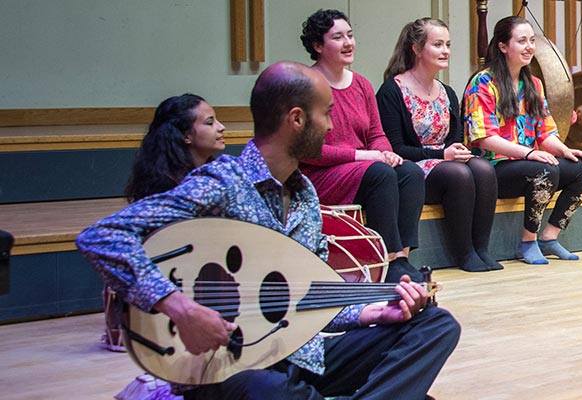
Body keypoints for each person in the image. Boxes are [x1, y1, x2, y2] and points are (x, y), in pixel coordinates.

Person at [76, 61, 460, 399]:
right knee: (267, 389)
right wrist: (181, 309)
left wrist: (377, 312)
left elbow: (309, 300)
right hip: (233, 369)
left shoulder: (306, 195)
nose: (331, 125)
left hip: (300, 356)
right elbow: (102, 236)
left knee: (434, 324)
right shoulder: (224, 181)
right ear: (296, 119)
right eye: (326, 113)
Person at [297, 9, 427, 281]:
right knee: (379, 173)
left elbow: (376, 133)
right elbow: (310, 151)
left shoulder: (362, 85)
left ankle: (402, 257)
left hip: (362, 168)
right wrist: (367, 156)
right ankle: (387, 260)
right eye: (338, 37)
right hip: (321, 174)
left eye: (350, 35)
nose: (348, 43)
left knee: (410, 172)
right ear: (318, 46)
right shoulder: (306, 86)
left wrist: (386, 153)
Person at [465, 16, 582, 265]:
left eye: (532, 40)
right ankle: (528, 241)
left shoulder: (534, 84)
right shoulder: (482, 82)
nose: (529, 47)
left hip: (529, 163)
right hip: (494, 169)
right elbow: (483, 138)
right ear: (503, 46)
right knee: (544, 169)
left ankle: (549, 237)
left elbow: (545, 133)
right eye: (522, 40)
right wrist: (528, 153)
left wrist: (566, 150)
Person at [102, 94, 227, 354]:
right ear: (186, 137)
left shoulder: (218, 179)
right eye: (210, 122)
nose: (221, 127)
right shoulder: (171, 191)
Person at [379, 18, 501, 272]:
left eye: (447, 44)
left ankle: (481, 249)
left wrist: (456, 151)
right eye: (437, 44)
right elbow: (395, 148)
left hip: (444, 160)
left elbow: (454, 139)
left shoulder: (446, 91)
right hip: (415, 169)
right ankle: (464, 253)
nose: (445, 50)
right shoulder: (392, 91)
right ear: (416, 49)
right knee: (457, 173)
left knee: (483, 169)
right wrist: (441, 154)